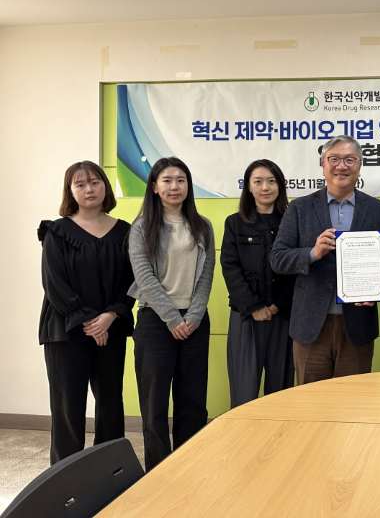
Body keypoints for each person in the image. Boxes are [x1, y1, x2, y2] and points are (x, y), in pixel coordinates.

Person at [271, 136, 380, 385]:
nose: (341, 166)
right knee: (311, 401)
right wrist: (313, 253)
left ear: (360, 165)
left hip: (357, 325)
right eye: (334, 159)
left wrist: (379, 291)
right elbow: (278, 258)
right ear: (322, 164)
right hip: (310, 325)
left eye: (349, 160)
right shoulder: (300, 208)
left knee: (353, 400)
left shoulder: (377, 210)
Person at [38, 161, 134, 464]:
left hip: (110, 330)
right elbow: (54, 283)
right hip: (65, 331)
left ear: (105, 186)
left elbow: (131, 281)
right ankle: (65, 478)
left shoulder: (125, 232)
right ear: (70, 191)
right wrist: (89, 321)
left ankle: (110, 471)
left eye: (95, 182)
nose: (89, 189)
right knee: (68, 408)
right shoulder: (56, 231)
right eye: (80, 184)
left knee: (110, 404)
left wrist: (110, 316)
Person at [128, 157, 214, 471]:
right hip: (156, 321)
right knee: (154, 403)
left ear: (188, 185)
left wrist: (193, 316)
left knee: (193, 401)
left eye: (180, 180)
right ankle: (158, 471)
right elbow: (144, 277)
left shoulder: (203, 225)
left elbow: (206, 275)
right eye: (167, 180)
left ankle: (188, 466)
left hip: (195, 321)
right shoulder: (142, 228)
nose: (174, 186)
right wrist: (173, 319)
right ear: (154, 187)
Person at [221, 159, 294, 407]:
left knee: (281, 390)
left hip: (283, 316)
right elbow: (230, 268)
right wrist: (254, 307)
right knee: (244, 392)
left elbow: (295, 269)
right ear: (248, 187)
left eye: (271, 181)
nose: (265, 187)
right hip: (246, 316)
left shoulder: (291, 220)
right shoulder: (234, 223)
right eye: (258, 181)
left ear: (280, 186)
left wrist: (277, 304)